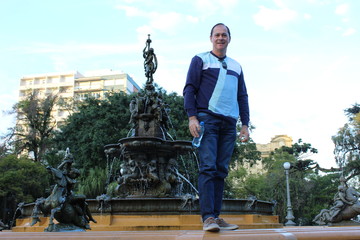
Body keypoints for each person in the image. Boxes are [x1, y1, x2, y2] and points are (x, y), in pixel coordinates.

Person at [183, 23, 250, 232]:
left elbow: (242, 96)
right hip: (207, 119)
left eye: (224, 35)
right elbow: (189, 88)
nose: (220, 38)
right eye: (217, 35)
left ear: (229, 38)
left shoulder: (237, 66)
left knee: (221, 170)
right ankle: (208, 217)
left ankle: (216, 216)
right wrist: (192, 117)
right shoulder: (200, 59)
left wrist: (245, 124)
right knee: (208, 167)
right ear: (211, 38)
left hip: (229, 123)